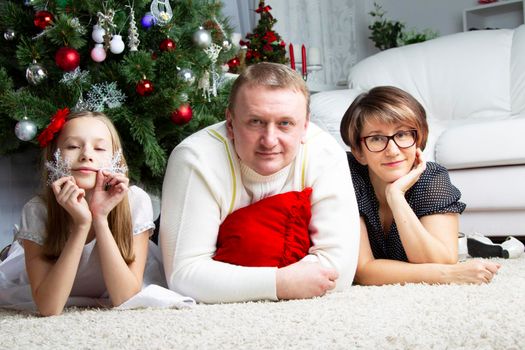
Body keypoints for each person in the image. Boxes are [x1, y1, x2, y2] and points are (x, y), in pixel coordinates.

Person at [160, 62, 360, 303]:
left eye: (285, 123)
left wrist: (228, 282)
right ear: (231, 123)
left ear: (305, 126)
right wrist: (281, 283)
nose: (270, 140)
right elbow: (184, 276)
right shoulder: (195, 158)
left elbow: (339, 270)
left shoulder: (326, 154)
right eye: (256, 122)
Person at [0, 110, 165, 315]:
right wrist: (81, 225)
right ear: (55, 156)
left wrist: (100, 218)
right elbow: (48, 308)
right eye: (73, 146)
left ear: (116, 158)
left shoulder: (135, 202)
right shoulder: (37, 211)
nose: (86, 155)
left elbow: (125, 299)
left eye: (99, 148)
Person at [339, 86, 501, 285]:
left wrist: (396, 197)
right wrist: (447, 275)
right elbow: (363, 271)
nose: (392, 150)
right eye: (376, 138)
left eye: (402, 135)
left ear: (418, 140)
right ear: (359, 152)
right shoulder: (347, 174)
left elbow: (440, 260)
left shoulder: (432, 178)